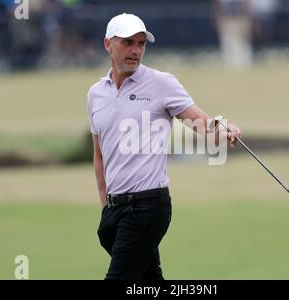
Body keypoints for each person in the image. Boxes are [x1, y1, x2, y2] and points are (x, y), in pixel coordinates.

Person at [87, 13, 242, 280]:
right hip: (115, 210)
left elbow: (205, 126)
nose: (136, 50)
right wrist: (105, 205)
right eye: (128, 43)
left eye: (141, 43)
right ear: (108, 45)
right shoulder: (96, 93)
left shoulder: (162, 83)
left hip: (148, 207)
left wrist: (225, 129)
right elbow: (99, 154)